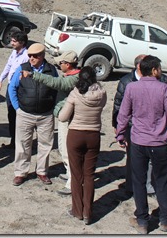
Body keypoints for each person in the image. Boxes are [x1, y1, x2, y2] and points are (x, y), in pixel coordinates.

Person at [116, 55, 167, 234]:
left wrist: (120, 134)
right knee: (163, 181)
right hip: (159, 143)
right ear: (154, 70)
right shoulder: (164, 89)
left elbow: (123, 114)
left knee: (138, 182)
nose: (161, 71)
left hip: (138, 142)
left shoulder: (131, 88)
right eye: (159, 68)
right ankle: (166, 220)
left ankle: (142, 222)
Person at [112, 54, 167, 196]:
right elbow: (119, 106)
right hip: (134, 128)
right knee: (133, 160)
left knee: (150, 161)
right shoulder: (127, 82)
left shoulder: (156, 80)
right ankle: (132, 186)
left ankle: (148, 186)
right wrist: (118, 127)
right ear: (140, 66)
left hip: (153, 132)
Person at [58, 66, 106, 225]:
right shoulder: (102, 93)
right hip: (93, 135)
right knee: (89, 175)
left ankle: (77, 210)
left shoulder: (75, 93)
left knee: (76, 174)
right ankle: (87, 213)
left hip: (76, 134)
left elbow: (63, 117)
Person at [28, 50, 80, 196]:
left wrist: (34, 75)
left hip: (68, 119)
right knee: (65, 149)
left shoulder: (73, 79)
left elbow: (57, 83)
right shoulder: (75, 76)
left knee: (67, 150)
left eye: (61, 63)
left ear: (68, 64)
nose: (59, 65)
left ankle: (72, 182)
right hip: (66, 117)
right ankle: (70, 174)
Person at [8, 43, 58, 186]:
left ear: (42, 56)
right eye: (30, 56)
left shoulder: (51, 70)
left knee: (45, 145)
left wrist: (53, 109)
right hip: (25, 113)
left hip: (46, 115)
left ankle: (42, 171)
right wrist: (17, 108)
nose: (31, 59)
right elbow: (12, 88)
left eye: (35, 56)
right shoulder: (22, 68)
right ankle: (20, 173)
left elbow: (56, 88)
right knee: (23, 144)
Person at [0, 30, 29, 149]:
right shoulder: (14, 53)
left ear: (22, 42)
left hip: (20, 89)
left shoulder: (26, 56)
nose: (12, 43)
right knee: (11, 113)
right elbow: (8, 66)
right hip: (11, 87)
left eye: (14, 41)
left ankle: (18, 142)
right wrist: (0, 80)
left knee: (19, 114)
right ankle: (14, 141)